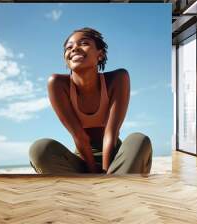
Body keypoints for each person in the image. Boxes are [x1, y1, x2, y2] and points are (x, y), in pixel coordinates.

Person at [29, 27, 152, 174]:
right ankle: (105, 189)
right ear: (66, 59)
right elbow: (79, 136)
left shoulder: (118, 78)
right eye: (69, 47)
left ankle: (110, 187)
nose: (74, 48)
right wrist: (93, 174)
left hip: (117, 159)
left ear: (100, 54)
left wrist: (105, 175)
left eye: (84, 43)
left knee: (139, 140)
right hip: (83, 162)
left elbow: (110, 133)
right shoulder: (57, 84)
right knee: (40, 148)